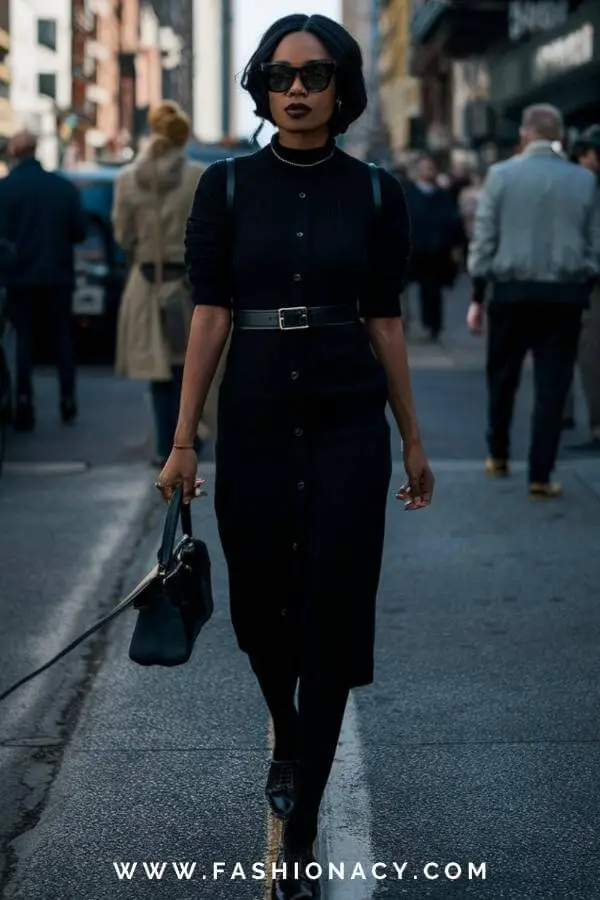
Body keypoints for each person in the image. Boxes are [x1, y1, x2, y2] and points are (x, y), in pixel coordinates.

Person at [155, 13, 434, 899]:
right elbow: (208, 316)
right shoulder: (226, 188)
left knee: (335, 612)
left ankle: (303, 833)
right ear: (263, 88)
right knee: (265, 614)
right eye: (281, 76)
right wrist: (182, 440)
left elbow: (386, 320)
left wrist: (415, 440)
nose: (298, 90)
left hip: (352, 418)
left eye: (316, 76)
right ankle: (285, 723)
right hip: (260, 416)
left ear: (342, 89)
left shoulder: (381, 195)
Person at [467, 104, 600, 498]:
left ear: (524, 135)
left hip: (511, 292)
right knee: (553, 382)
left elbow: (484, 238)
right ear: (560, 135)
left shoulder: (500, 176)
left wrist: (478, 293)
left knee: (502, 376)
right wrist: (584, 272)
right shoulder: (583, 180)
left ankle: (499, 453)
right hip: (564, 294)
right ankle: (540, 474)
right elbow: (596, 241)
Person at [112, 102, 212, 467]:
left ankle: (163, 447)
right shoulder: (199, 176)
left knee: (157, 373)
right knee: (191, 366)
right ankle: (191, 439)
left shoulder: (126, 179)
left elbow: (123, 236)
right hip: (186, 286)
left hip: (145, 284)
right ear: (183, 138)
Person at [0, 129, 87, 431]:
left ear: (14, 152)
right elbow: (80, 232)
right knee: (62, 337)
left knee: (23, 340)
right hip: (58, 275)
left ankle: (24, 401)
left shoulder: (5, 189)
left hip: (18, 277)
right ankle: (68, 400)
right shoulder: (62, 188)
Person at [563, 125, 600, 451]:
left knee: (587, 350)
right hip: (583, 275)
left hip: (581, 276)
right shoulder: (583, 184)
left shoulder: (576, 183)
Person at [403, 154, 464, 341]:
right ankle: (404, 322)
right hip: (410, 251)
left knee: (432, 291)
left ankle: (432, 325)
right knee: (402, 289)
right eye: (426, 167)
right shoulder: (407, 194)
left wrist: (455, 246)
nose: (430, 170)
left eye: (432, 167)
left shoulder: (443, 195)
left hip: (436, 252)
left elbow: (454, 221)